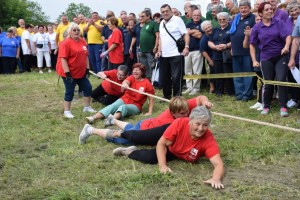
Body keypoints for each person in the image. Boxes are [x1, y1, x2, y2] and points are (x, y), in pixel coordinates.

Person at [112, 106, 225, 189]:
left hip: (174, 150)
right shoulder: (180, 123)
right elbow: (161, 144)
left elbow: (218, 164)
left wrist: (216, 178)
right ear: (191, 121)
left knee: (148, 157)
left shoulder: (208, 138)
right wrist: (163, 166)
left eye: (205, 125)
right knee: (139, 136)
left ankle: (128, 152)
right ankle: (120, 133)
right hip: (169, 133)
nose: (201, 128)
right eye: (198, 124)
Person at [79, 95, 213, 145]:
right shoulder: (168, 122)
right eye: (182, 114)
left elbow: (201, 97)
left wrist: (206, 103)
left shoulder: (183, 106)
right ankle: (91, 130)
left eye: (187, 113)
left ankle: (112, 120)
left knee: (130, 127)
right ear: (173, 112)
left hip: (144, 123)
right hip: (144, 130)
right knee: (121, 139)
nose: (186, 115)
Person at [250, 2, 291, 117]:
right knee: (268, 82)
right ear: (260, 13)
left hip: (280, 56)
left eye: (270, 9)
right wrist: (254, 60)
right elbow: (252, 45)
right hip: (266, 58)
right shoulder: (257, 27)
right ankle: (266, 106)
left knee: (281, 79)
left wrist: (286, 47)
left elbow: (287, 36)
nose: (270, 11)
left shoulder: (278, 22)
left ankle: (283, 106)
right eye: (266, 10)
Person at [86, 63, 154, 123]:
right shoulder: (131, 78)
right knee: (112, 106)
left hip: (136, 105)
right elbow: (126, 82)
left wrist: (150, 112)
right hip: (124, 99)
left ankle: (111, 120)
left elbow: (151, 99)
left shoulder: (147, 84)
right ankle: (93, 118)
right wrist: (125, 85)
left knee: (123, 107)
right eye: (134, 70)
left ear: (142, 72)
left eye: (137, 70)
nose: (135, 71)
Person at [56, 22, 96, 119]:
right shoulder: (65, 43)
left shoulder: (82, 41)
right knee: (70, 91)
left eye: (78, 30)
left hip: (80, 71)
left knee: (88, 87)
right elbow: (63, 59)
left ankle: (87, 107)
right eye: (74, 30)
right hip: (69, 72)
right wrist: (67, 73)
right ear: (70, 32)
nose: (77, 31)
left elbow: (86, 56)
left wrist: (87, 68)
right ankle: (67, 111)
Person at [156, 4, 190, 99]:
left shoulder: (177, 20)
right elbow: (160, 39)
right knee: (165, 77)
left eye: (167, 11)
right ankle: (166, 96)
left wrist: (186, 47)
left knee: (176, 77)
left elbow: (185, 34)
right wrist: (159, 51)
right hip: (164, 55)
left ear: (171, 11)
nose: (165, 13)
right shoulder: (162, 23)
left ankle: (177, 97)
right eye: (163, 12)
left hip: (176, 54)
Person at [230, 0, 256, 101]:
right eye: (241, 8)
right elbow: (232, 35)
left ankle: (246, 95)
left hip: (247, 51)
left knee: (247, 74)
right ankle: (239, 94)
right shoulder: (236, 19)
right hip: (236, 51)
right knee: (237, 74)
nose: (243, 9)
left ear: (249, 8)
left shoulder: (253, 18)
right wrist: (232, 48)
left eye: (245, 7)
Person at [208, 12, 234, 97]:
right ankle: (219, 91)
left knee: (228, 73)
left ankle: (230, 91)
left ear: (227, 20)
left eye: (224, 19)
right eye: (220, 20)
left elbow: (233, 40)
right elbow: (209, 41)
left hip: (227, 55)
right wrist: (215, 47)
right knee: (218, 74)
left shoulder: (231, 29)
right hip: (216, 55)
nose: (222, 21)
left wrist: (226, 46)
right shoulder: (215, 30)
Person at [182, 9, 204, 96]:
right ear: (192, 15)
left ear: (200, 15)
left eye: (198, 15)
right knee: (187, 69)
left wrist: (190, 32)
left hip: (197, 50)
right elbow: (185, 33)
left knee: (196, 70)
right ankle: (189, 87)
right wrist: (194, 31)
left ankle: (196, 88)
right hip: (187, 50)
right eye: (194, 15)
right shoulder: (189, 23)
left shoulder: (202, 24)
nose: (196, 17)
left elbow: (200, 35)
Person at [286, 2, 300, 108]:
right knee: (293, 77)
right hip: (291, 52)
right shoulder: (288, 21)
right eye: (291, 11)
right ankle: (295, 99)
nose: (294, 12)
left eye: (296, 9)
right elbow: (294, 39)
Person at [139, 10, 159, 79]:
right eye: (140, 16)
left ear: (148, 16)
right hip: (142, 51)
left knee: (152, 67)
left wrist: (156, 47)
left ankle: (154, 81)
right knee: (144, 68)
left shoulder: (154, 23)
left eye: (143, 16)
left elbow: (158, 36)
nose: (141, 18)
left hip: (150, 50)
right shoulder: (143, 25)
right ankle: (147, 81)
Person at [200, 21, 215, 94]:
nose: (208, 29)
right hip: (211, 58)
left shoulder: (215, 33)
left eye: (209, 27)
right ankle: (211, 88)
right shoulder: (204, 38)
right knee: (212, 73)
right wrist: (210, 61)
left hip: (218, 57)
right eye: (206, 28)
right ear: (203, 30)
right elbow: (203, 51)